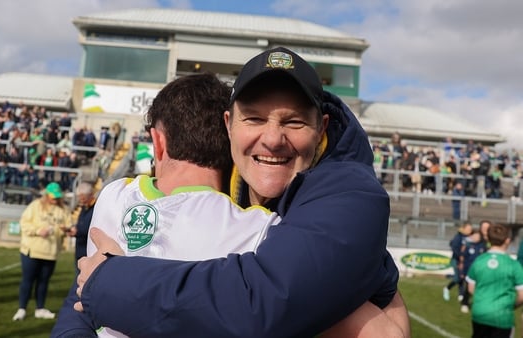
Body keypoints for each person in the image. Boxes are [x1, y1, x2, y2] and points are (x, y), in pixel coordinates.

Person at [69, 47, 406, 337]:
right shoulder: (219, 174)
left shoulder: (350, 195)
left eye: (293, 122)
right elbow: (91, 273)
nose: (273, 139)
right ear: (228, 124)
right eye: (255, 119)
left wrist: (111, 283)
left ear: (322, 129)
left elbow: (263, 304)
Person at [12, 182, 72, 321]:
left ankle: (40, 308)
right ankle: (22, 308)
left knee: (44, 281)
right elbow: (24, 223)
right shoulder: (35, 206)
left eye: (57, 197)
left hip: (51, 252)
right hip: (32, 250)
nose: (55, 200)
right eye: (52, 197)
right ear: (46, 195)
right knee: (28, 280)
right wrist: (38, 231)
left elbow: (67, 225)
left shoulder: (64, 209)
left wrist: (65, 229)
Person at [466, 223, 523, 338]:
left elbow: (471, 289)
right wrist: (512, 305)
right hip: (502, 316)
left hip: (480, 313)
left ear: (488, 239)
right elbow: (522, 296)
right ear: (507, 240)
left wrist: (484, 300)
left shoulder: (479, 261)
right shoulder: (514, 265)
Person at [65, 181, 97, 270]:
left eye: (83, 198)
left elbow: (93, 228)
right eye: (80, 198)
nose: (81, 200)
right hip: (80, 249)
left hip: (89, 251)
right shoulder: (84, 207)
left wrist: (77, 232)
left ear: (90, 195)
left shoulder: (97, 208)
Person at [458, 229, 487, 313]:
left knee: (480, 288)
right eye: (473, 236)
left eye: (477, 236)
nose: (475, 237)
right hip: (469, 270)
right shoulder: (468, 245)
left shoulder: (483, 246)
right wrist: (462, 267)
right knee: (468, 288)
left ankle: (480, 303)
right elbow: (463, 257)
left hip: (480, 271)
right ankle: (465, 303)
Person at [443, 221, 472, 301]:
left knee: (463, 278)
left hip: (465, 261)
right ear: (464, 228)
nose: (470, 230)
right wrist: (460, 259)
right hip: (456, 260)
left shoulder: (469, 237)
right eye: (468, 228)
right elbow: (455, 248)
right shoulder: (458, 237)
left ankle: (461, 295)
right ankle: (447, 288)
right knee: (457, 278)